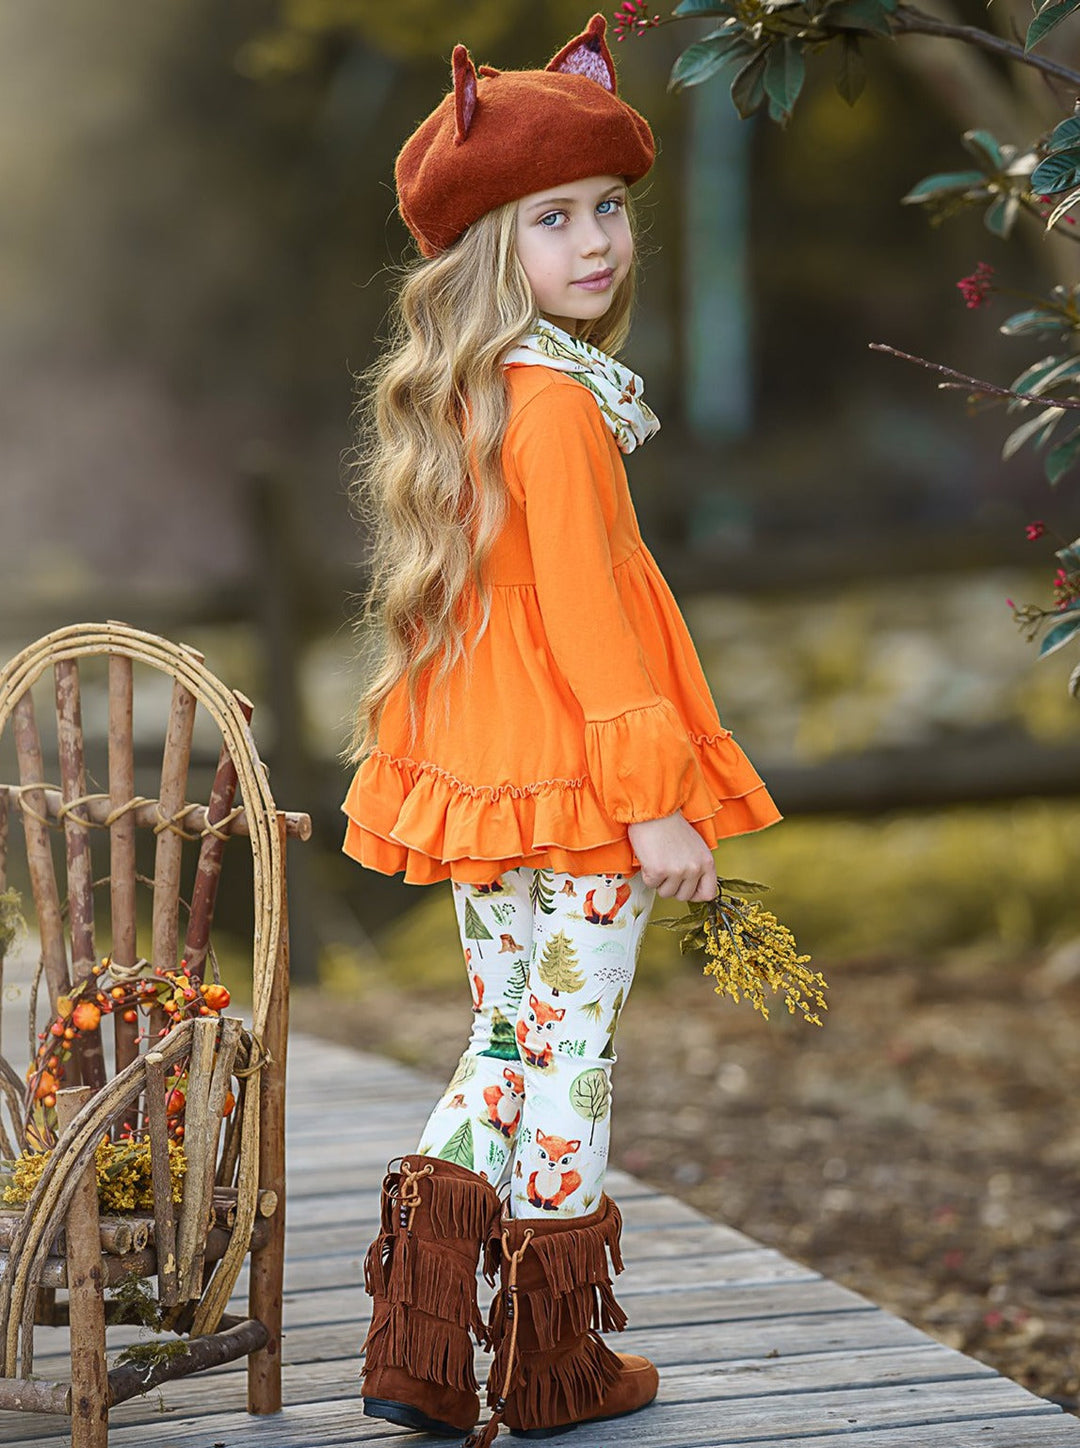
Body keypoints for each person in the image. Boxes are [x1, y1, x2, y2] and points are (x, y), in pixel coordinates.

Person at [341, 14, 781, 1442]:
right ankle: (553, 1369)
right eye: (554, 218)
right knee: (571, 1052)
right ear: (487, 246)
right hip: (588, 796)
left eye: (608, 209)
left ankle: (417, 1350)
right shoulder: (558, 411)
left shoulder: (471, 400)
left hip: (491, 791)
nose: (596, 242)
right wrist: (655, 799)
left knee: (508, 1042)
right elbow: (590, 621)